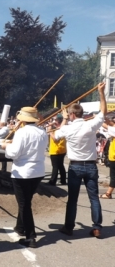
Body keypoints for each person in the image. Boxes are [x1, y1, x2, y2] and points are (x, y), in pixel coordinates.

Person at [53, 82, 106, 238]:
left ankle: (69, 227)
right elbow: (104, 111)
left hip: (75, 167)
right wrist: (101, 92)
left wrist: (61, 122)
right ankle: (97, 227)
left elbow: (56, 138)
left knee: (73, 199)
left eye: (69, 115)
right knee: (94, 198)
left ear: (72, 115)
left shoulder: (67, 127)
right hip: (91, 166)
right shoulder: (90, 125)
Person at [1, 107, 47, 248]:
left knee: (24, 204)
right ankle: (20, 227)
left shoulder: (21, 132)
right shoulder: (42, 132)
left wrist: (5, 147)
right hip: (38, 171)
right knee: (26, 200)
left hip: (23, 172)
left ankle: (31, 236)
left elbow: (14, 153)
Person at [47, 114, 67, 186]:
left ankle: (52, 181)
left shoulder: (58, 130)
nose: (54, 121)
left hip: (56, 150)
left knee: (55, 166)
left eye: (55, 120)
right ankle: (63, 180)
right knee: (60, 165)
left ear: (59, 121)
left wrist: (50, 131)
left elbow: (55, 139)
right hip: (62, 149)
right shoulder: (63, 128)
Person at [99, 118, 115, 199]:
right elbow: (111, 124)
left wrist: (99, 118)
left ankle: (108, 193)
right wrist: (105, 117)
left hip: (114, 158)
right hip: (113, 157)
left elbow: (106, 126)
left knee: (113, 176)